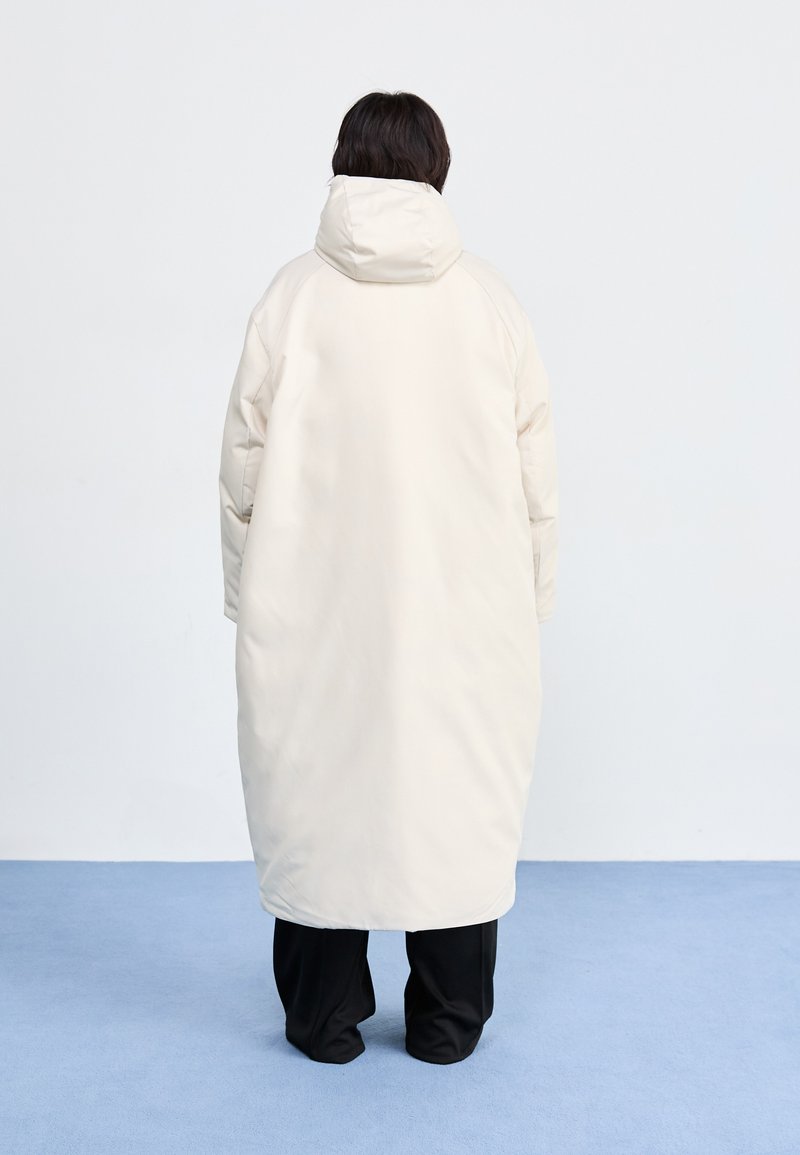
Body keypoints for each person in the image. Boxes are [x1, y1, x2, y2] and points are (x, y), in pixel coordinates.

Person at [218, 91, 559, 1065]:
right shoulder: (488, 302)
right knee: (454, 795)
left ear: (342, 164)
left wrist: (248, 595)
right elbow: (535, 474)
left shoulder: (292, 298)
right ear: (436, 170)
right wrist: (527, 599)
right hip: (465, 606)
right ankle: (449, 1020)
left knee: (315, 788)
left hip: (312, 603)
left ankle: (322, 1017)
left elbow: (242, 467)